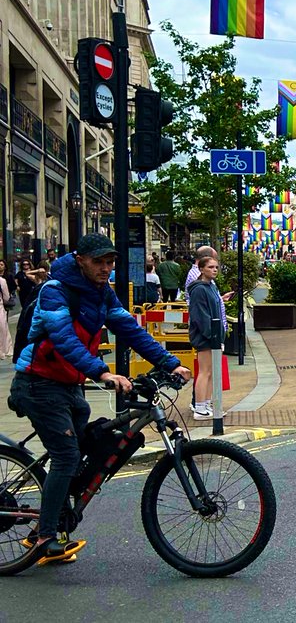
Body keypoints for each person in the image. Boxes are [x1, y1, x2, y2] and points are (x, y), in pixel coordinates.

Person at [7, 233, 190, 564]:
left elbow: (130, 330)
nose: (106, 268)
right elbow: (63, 339)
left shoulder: (102, 293)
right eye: (99, 262)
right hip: (37, 384)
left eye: (110, 262)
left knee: (78, 453)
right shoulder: (55, 291)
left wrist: (170, 362)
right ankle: (46, 537)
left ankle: (54, 522)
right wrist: (102, 373)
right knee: (65, 456)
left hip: (68, 386)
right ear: (80, 260)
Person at [187, 255, 225, 421]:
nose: (214, 270)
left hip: (214, 335)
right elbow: (200, 316)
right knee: (204, 372)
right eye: (210, 267)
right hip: (206, 337)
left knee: (211, 372)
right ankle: (200, 407)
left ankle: (207, 405)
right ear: (201, 269)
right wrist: (212, 335)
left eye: (216, 267)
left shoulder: (210, 287)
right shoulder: (199, 289)